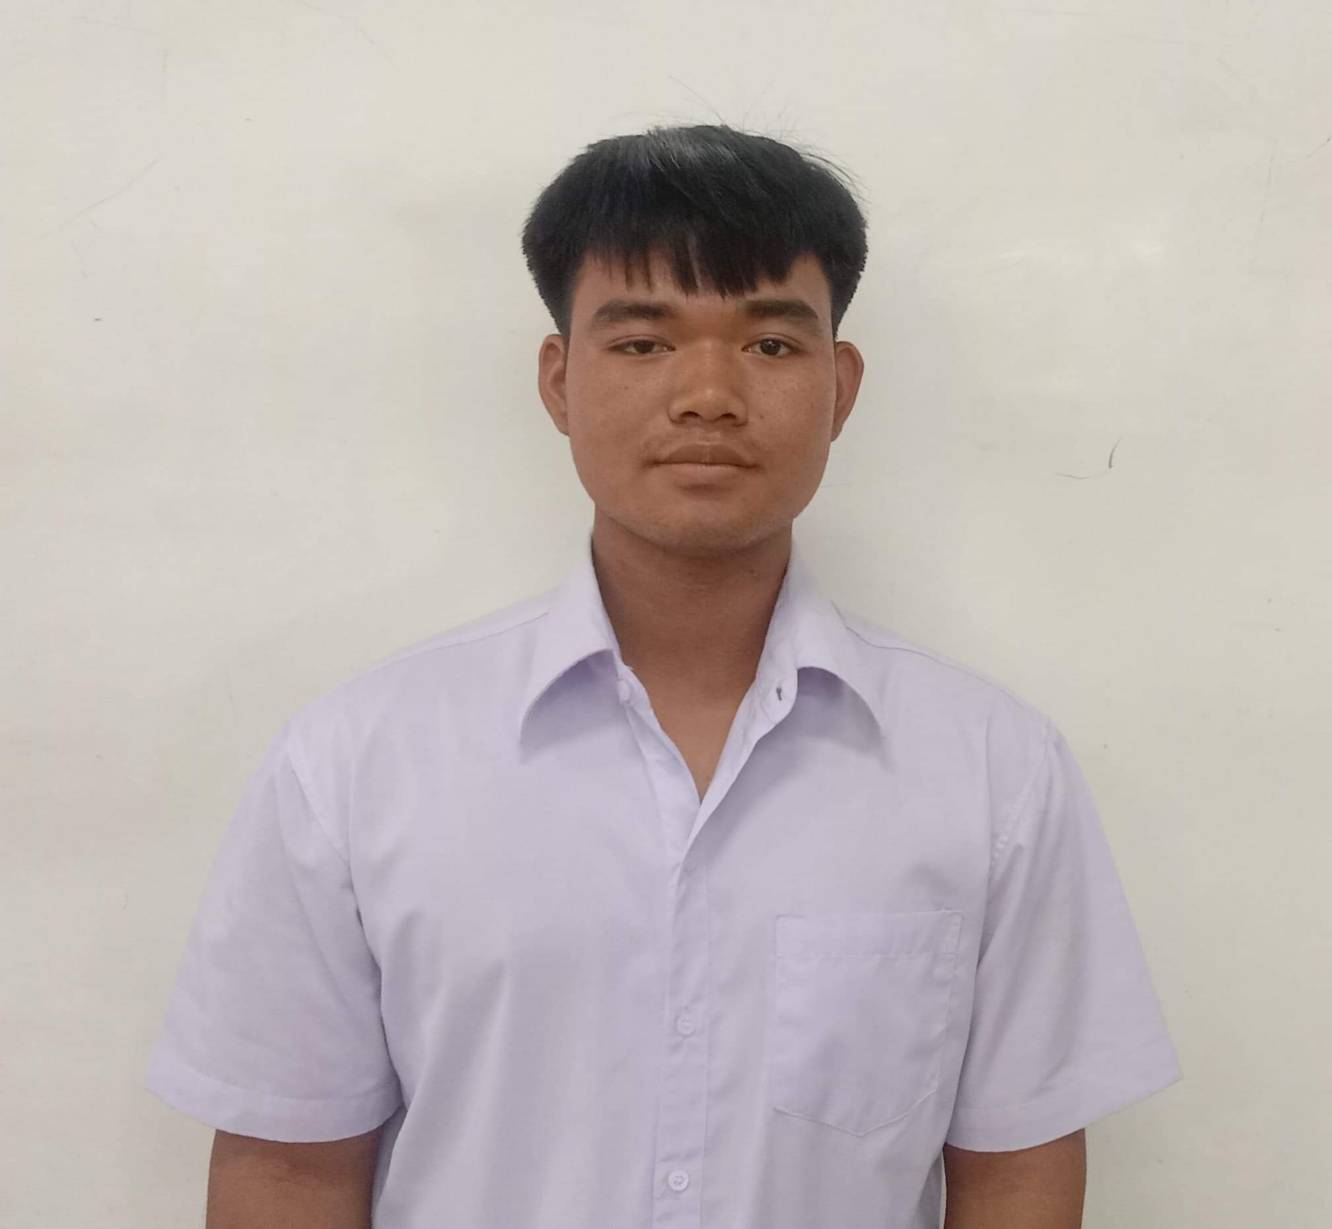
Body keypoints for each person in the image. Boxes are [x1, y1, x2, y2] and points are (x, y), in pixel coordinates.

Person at [146, 122, 1181, 1229]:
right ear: (559, 380)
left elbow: (1017, 1172)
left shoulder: (990, 770)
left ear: (841, 387)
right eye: (643, 342)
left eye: (770, 343)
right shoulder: (358, 763)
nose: (708, 394)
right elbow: (289, 1170)